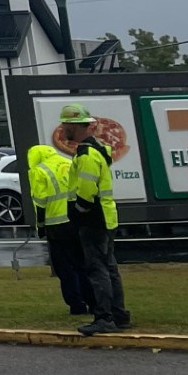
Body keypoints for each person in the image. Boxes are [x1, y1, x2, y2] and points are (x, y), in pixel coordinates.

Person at [60, 104, 131, 334]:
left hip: (93, 219)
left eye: (65, 124)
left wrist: (78, 211)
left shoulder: (87, 154)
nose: (63, 129)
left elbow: (86, 191)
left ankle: (105, 317)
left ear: (74, 125)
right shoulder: (97, 149)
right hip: (104, 217)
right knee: (109, 268)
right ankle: (118, 315)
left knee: (97, 269)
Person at [26, 141, 88, 316]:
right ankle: (93, 301)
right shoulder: (69, 162)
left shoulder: (39, 170)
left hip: (56, 225)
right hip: (76, 220)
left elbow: (40, 201)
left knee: (64, 268)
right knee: (82, 264)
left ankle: (76, 305)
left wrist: (40, 226)